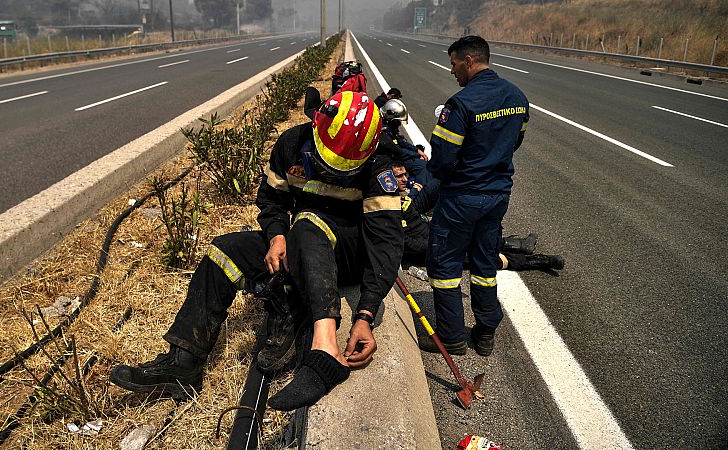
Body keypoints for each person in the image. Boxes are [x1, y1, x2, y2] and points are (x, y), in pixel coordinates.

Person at [109, 90, 403, 411]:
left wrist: (365, 315)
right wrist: (277, 235)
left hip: (344, 255)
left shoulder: (379, 164)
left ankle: (324, 346)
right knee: (222, 252)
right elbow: (271, 199)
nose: (331, 173)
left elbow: (385, 245)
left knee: (307, 221)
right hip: (300, 241)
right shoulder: (292, 145)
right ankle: (184, 363)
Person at [423, 35, 529, 357]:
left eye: (454, 63)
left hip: (461, 199)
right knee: (485, 264)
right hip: (497, 196)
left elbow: (441, 160)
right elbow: (515, 142)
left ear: (469, 61)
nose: (451, 70)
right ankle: (485, 333)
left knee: (445, 265)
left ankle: (452, 337)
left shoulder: (460, 105)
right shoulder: (518, 97)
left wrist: (457, 171)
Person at [391, 162, 563, 276]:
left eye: (405, 175)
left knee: (472, 235)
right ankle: (540, 260)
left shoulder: (400, 195)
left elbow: (421, 169)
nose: (405, 179)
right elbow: (408, 244)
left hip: (430, 232)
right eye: (399, 177)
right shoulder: (386, 208)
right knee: (483, 258)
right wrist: (440, 242)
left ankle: (517, 244)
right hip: (432, 249)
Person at [379, 98, 431, 185]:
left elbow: (401, 141)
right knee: (422, 167)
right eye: (397, 120)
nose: (399, 123)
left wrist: (417, 150)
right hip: (391, 158)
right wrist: (417, 155)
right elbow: (397, 150)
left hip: (398, 154)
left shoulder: (390, 127)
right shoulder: (382, 130)